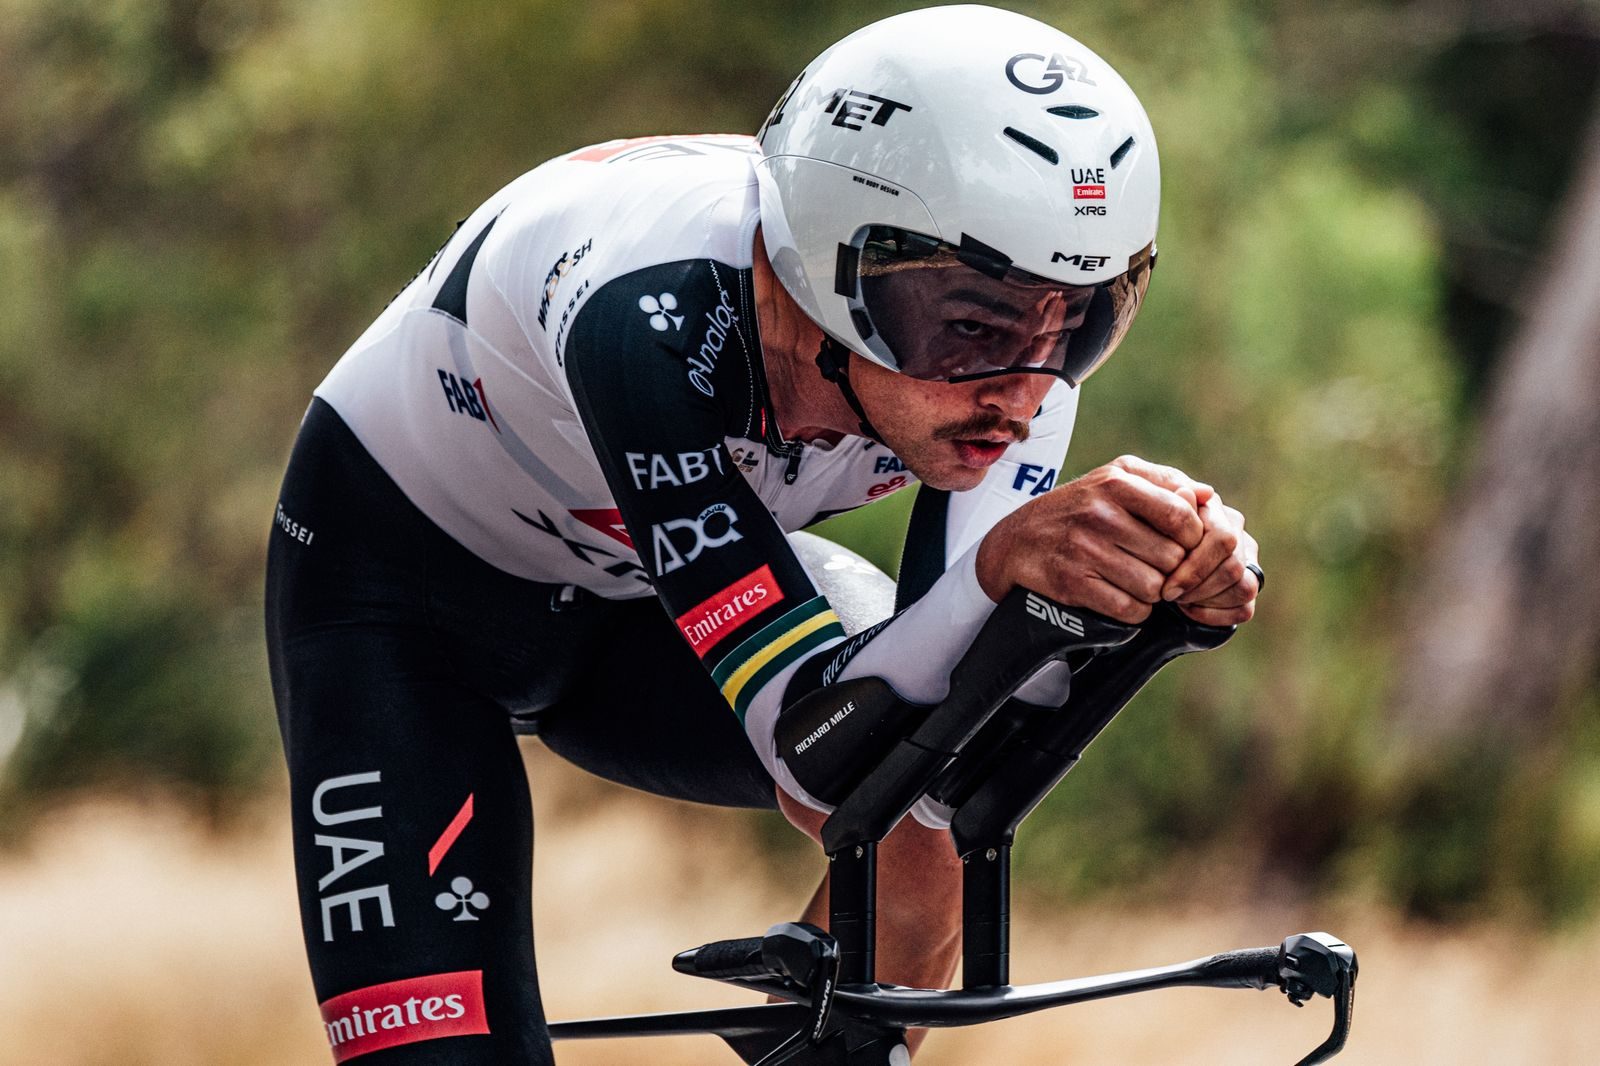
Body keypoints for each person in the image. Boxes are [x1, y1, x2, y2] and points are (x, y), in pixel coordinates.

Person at [264, 5, 1261, 1063]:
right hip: (400, 604)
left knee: (927, 820)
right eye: (970, 325)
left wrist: (1148, 610)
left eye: (1084, 321)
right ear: (833, 265)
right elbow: (810, 751)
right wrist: (1002, 569)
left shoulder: (1014, 374)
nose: (1020, 392)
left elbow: (967, 729)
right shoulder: (645, 315)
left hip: (639, 594)